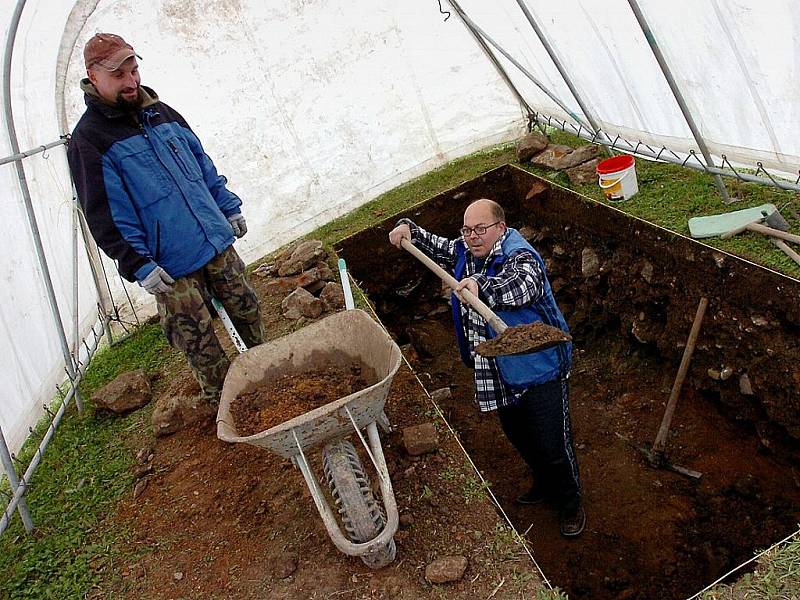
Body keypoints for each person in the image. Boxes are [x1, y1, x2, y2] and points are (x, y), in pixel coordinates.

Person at [68, 33, 264, 406]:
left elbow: (201, 164)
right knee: (199, 341)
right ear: (93, 77)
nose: (131, 81)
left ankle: (271, 378)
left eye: (134, 69)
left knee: (248, 309)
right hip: (170, 264)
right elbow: (105, 213)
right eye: (119, 75)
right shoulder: (89, 140)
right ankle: (231, 407)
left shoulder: (162, 112)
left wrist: (227, 204)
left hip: (213, 239)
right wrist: (137, 263)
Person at [389, 199, 584, 537]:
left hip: (539, 368)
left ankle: (569, 502)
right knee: (519, 436)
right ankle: (543, 482)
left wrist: (482, 286)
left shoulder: (520, 256)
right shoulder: (465, 249)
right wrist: (409, 229)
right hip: (498, 368)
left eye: (481, 229)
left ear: (501, 228)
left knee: (553, 444)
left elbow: (521, 284)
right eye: (467, 230)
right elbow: (436, 244)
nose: (473, 237)